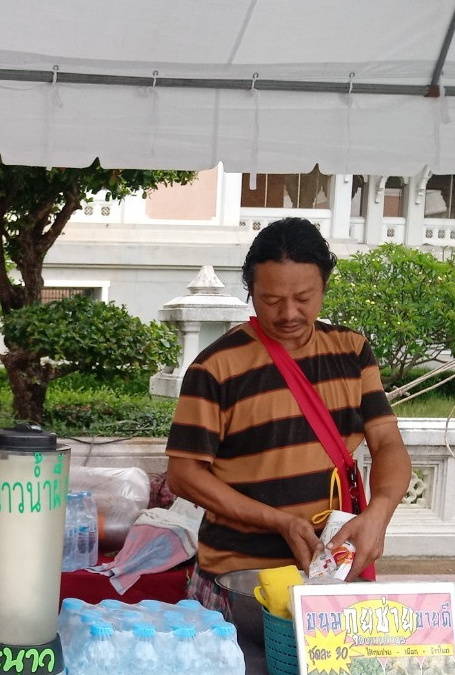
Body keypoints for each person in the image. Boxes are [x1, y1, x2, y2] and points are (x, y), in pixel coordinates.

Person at [165, 217, 411, 608]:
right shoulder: (215, 368)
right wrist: (278, 521)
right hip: (242, 581)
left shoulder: (352, 351)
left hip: (331, 575)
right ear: (250, 290)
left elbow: (387, 444)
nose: (289, 314)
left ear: (324, 287)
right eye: (272, 300)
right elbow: (185, 476)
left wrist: (379, 513)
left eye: (304, 298)